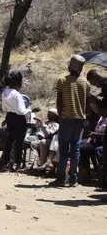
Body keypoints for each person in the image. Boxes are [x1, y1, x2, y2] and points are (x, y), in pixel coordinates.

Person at [51, 55, 90, 186]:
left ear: (69, 67)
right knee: (75, 148)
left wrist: (61, 116)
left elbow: (59, 101)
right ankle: (73, 179)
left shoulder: (62, 80)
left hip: (66, 118)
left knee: (63, 149)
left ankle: (61, 178)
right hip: (79, 119)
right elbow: (87, 102)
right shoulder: (85, 83)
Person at [0, 70, 31, 172]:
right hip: (19, 119)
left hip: (9, 117)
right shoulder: (17, 94)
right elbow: (20, 111)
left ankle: (4, 162)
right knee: (18, 142)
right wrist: (30, 110)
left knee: (9, 140)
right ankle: (16, 163)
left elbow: (3, 108)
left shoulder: (5, 92)